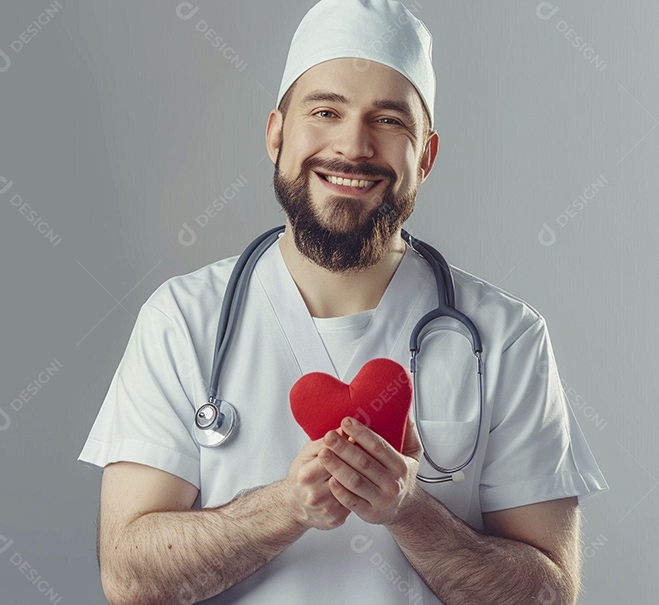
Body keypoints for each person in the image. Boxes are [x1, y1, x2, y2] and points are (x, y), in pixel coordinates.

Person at [76, 0, 608, 602]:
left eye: (388, 120)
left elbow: (550, 594)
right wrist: (283, 508)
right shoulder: (181, 321)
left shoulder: (507, 338)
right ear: (277, 133)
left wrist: (409, 511)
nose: (353, 147)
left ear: (426, 157)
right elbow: (128, 579)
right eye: (326, 111)